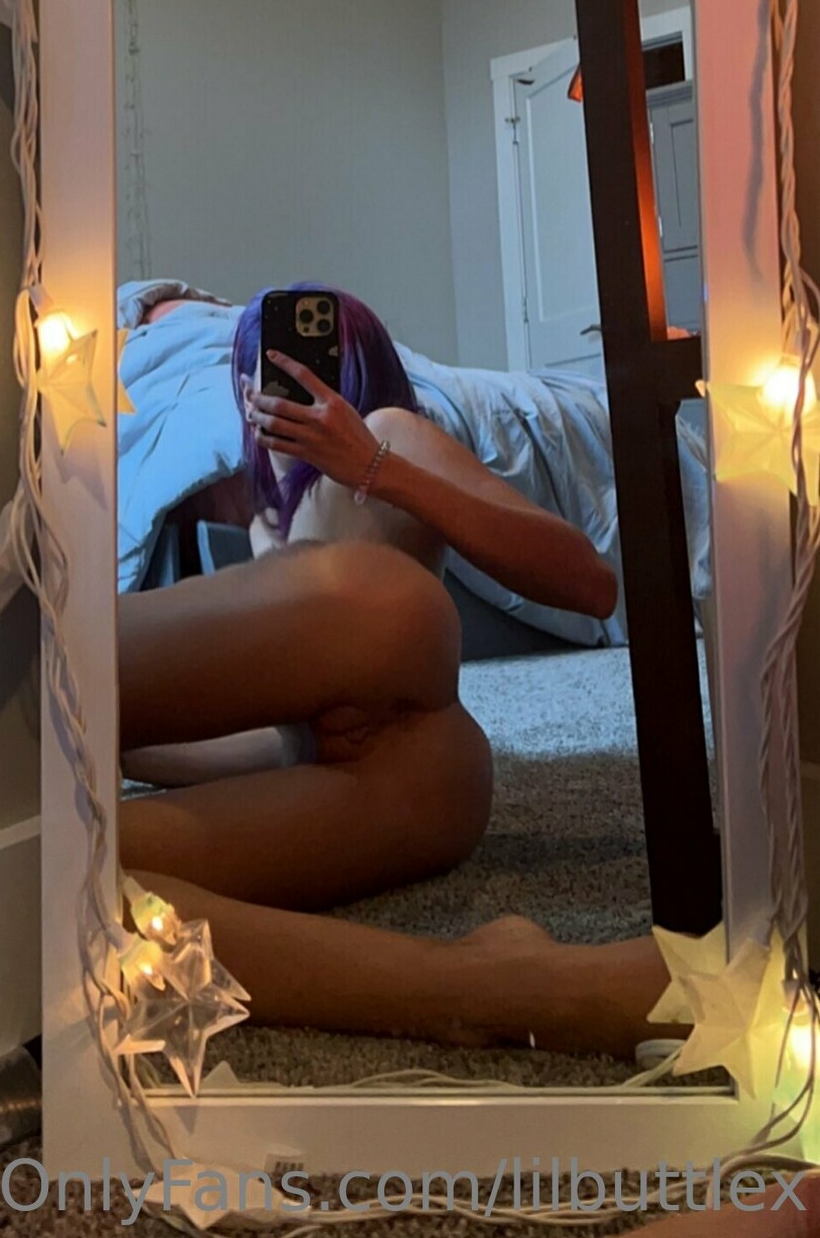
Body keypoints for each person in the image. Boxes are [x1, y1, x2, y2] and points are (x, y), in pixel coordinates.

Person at [117, 285, 670, 1057]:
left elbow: (589, 584)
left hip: (396, 695)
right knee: (77, 880)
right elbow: (285, 735)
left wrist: (373, 464)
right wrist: (134, 755)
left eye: (310, 368)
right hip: (396, 788)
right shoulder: (263, 502)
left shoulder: (391, 433)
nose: (271, 392)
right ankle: (498, 987)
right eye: (259, 374)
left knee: (63, 803)